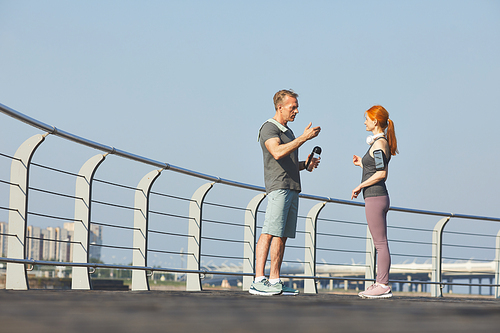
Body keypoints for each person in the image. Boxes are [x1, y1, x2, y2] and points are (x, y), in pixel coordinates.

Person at [250, 89, 321, 296]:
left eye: (297, 107)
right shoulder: (269, 128)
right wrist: (304, 138)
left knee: (282, 235)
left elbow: (286, 160)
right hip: (278, 187)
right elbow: (277, 152)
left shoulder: (288, 132)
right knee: (269, 231)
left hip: (292, 186)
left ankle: (274, 280)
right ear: (280, 107)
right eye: (293, 107)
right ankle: (258, 280)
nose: (296, 111)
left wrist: (305, 165)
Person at [351, 105, 398, 299]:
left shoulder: (379, 144)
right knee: (380, 242)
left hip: (375, 197)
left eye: (367, 119)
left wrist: (360, 185)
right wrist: (361, 163)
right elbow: (375, 167)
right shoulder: (379, 143)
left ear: (375, 121)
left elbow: (382, 173)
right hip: (378, 197)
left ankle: (383, 285)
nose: (364, 122)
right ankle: (380, 282)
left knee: (380, 243)